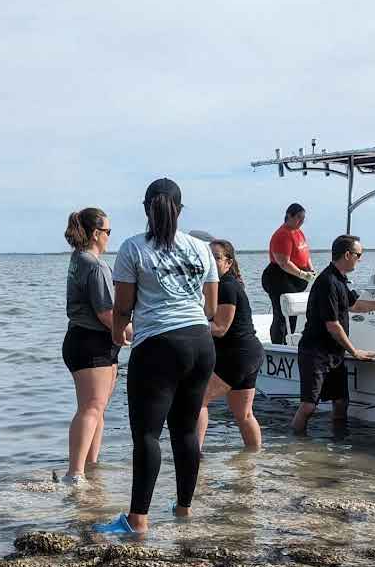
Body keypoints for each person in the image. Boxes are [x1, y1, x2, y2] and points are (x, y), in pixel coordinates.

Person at [95, 178, 219, 535]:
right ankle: (184, 510)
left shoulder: (133, 249)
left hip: (158, 345)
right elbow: (210, 306)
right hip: (200, 342)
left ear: (147, 208)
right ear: (179, 210)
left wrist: (119, 334)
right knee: (185, 430)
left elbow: (123, 306)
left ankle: (138, 520)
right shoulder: (201, 248)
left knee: (147, 434)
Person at [291, 234, 375, 433]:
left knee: (340, 402)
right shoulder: (327, 282)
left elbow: (356, 305)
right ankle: (296, 444)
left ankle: (339, 445)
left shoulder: (340, 280)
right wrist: (354, 351)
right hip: (316, 352)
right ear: (347, 254)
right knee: (309, 406)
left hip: (334, 353)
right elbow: (333, 325)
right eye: (358, 255)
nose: (360, 259)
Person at [61, 206, 121, 484]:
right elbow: (106, 312)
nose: (110, 237)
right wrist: (134, 330)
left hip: (90, 341)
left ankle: (91, 468)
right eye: (108, 231)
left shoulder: (79, 258)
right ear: (96, 234)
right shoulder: (94, 265)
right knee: (91, 408)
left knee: (97, 409)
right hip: (90, 341)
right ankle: (75, 472)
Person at [197, 239, 263, 451]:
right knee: (243, 414)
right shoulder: (224, 284)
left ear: (228, 262)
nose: (211, 261)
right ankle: (253, 458)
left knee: (198, 400)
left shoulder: (225, 285)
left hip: (238, 355)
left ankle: (193, 456)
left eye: (216, 257)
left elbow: (220, 328)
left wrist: (191, 324)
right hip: (250, 353)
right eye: (209, 257)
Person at [261, 203, 315, 344]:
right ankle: (278, 343)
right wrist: (302, 274)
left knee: (293, 314)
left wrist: (310, 268)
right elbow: (284, 263)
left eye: (303, 219)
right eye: (298, 218)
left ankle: (288, 340)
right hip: (278, 276)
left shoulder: (298, 232)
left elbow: (305, 253)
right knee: (282, 313)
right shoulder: (282, 234)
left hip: (295, 277)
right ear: (289, 216)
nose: (301, 221)